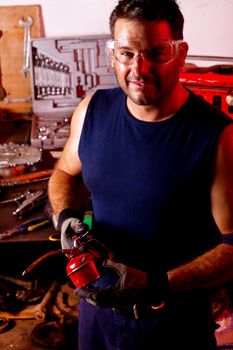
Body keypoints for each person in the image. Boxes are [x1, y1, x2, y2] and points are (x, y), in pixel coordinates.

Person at [48, 0, 233, 348]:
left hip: (172, 326)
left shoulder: (217, 136)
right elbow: (64, 174)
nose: (139, 68)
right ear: (112, 54)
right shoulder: (92, 111)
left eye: (155, 53)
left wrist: (155, 282)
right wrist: (67, 218)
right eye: (127, 53)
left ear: (180, 53)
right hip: (97, 316)